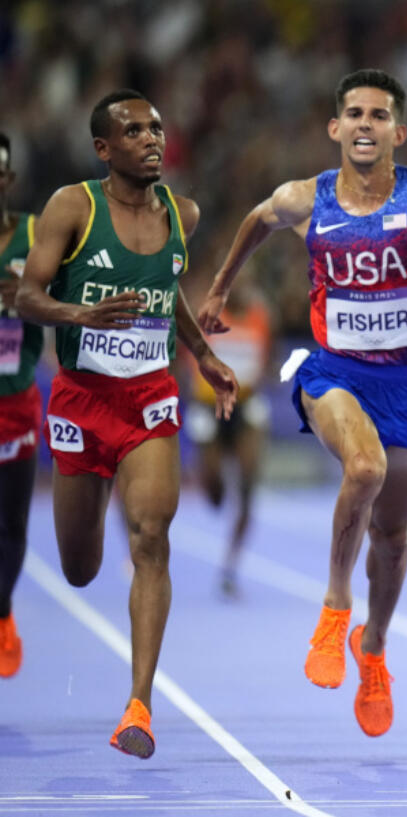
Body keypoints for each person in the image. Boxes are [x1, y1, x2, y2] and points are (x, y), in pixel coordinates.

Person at [197, 69, 407, 737]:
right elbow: (255, 220)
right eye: (353, 113)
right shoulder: (307, 198)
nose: (365, 124)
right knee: (364, 468)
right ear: (335, 128)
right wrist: (217, 291)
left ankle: (375, 645)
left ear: (399, 131)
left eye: (379, 115)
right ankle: (334, 608)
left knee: (392, 536)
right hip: (333, 372)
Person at [15, 90, 237, 758]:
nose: (151, 138)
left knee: (151, 536)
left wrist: (202, 354)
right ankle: (97, 499)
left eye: (157, 128)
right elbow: (26, 295)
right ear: (103, 149)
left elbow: (169, 296)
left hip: (148, 400)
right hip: (82, 400)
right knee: (81, 569)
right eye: (133, 130)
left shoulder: (182, 214)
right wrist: (79, 316)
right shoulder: (72, 207)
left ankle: (138, 706)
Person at [184, 275, 274, 599]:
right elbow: (187, 357)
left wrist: (260, 377)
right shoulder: (205, 315)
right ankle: (212, 480)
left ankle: (230, 567)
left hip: (246, 405)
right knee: (215, 494)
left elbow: (269, 359)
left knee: (248, 488)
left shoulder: (261, 317)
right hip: (208, 408)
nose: (242, 290)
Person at [0, 133, 42, 680]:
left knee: (10, 525)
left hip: (15, 402)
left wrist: (30, 300)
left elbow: (72, 296)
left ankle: (3, 613)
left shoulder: (36, 233)